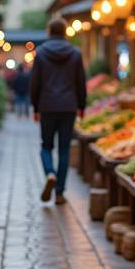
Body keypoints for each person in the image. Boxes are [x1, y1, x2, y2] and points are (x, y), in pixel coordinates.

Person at [30, 17, 86, 205]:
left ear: (49, 32)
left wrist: (35, 107)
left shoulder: (41, 53)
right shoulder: (75, 53)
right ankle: (60, 192)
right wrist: (82, 106)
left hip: (47, 105)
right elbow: (80, 82)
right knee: (64, 149)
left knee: (46, 146)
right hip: (69, 106)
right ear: (65, 32)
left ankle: (50, 173)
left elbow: (35, 83)